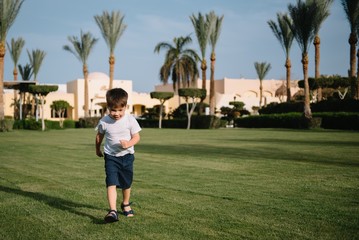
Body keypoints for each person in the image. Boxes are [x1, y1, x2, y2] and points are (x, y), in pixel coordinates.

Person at [95, 88, 141, 223]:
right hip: (111, 157)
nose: (116, 113)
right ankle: (113, 211)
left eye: (120, 110)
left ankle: (125, 203)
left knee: (126, 183)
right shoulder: (104, 121)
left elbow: (137, 137)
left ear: (125, 107)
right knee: (111, 182)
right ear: (108, 107)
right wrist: (97, 149)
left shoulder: (130, 120)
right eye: (113, 110)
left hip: (127, 156)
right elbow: (99, 136)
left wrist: (128, 143)